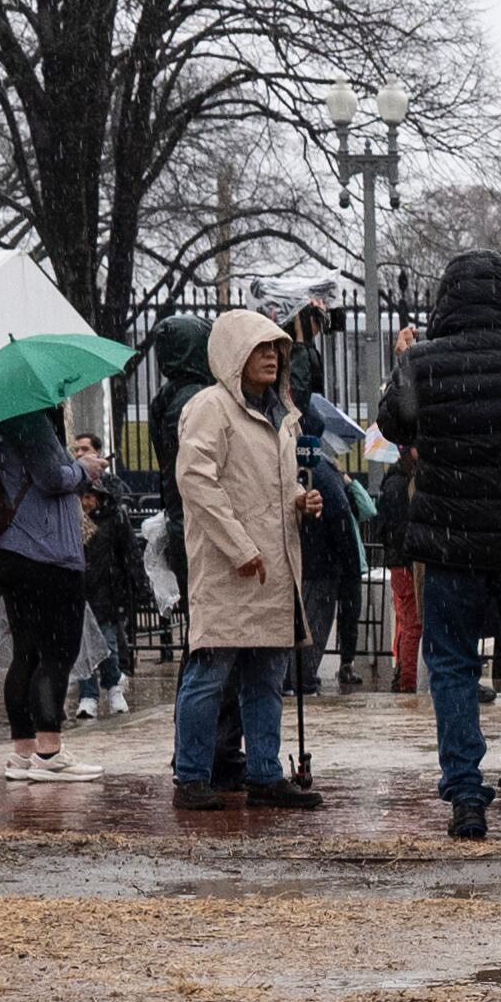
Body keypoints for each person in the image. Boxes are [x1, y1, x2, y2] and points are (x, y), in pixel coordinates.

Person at [378, 248, 501, 840]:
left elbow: (393, 424)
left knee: (454, 667)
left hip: (451, 545)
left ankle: (467, 796)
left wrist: (405, 365)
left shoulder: (425, 363)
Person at [162, 307, 325, 810]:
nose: (272, 357)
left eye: (276, 347)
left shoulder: (280, 414)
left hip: (271, 570)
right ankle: (190, 776)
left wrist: (299, 498)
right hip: (233, 570)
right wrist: (240, 548)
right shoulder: (211, 408)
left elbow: (261, 484)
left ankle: (264, 772)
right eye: (259, 347)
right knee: (211, 673)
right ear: (234, 353)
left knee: (266, 677)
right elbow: (195, 480)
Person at [0, 399, 100, 785]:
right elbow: (52, 477)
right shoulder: (28, 417)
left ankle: (24, 753)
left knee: (26, 652)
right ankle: (49, 752)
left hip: (11, 549)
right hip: (47, 553)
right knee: (57, 653)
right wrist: (85, 469)